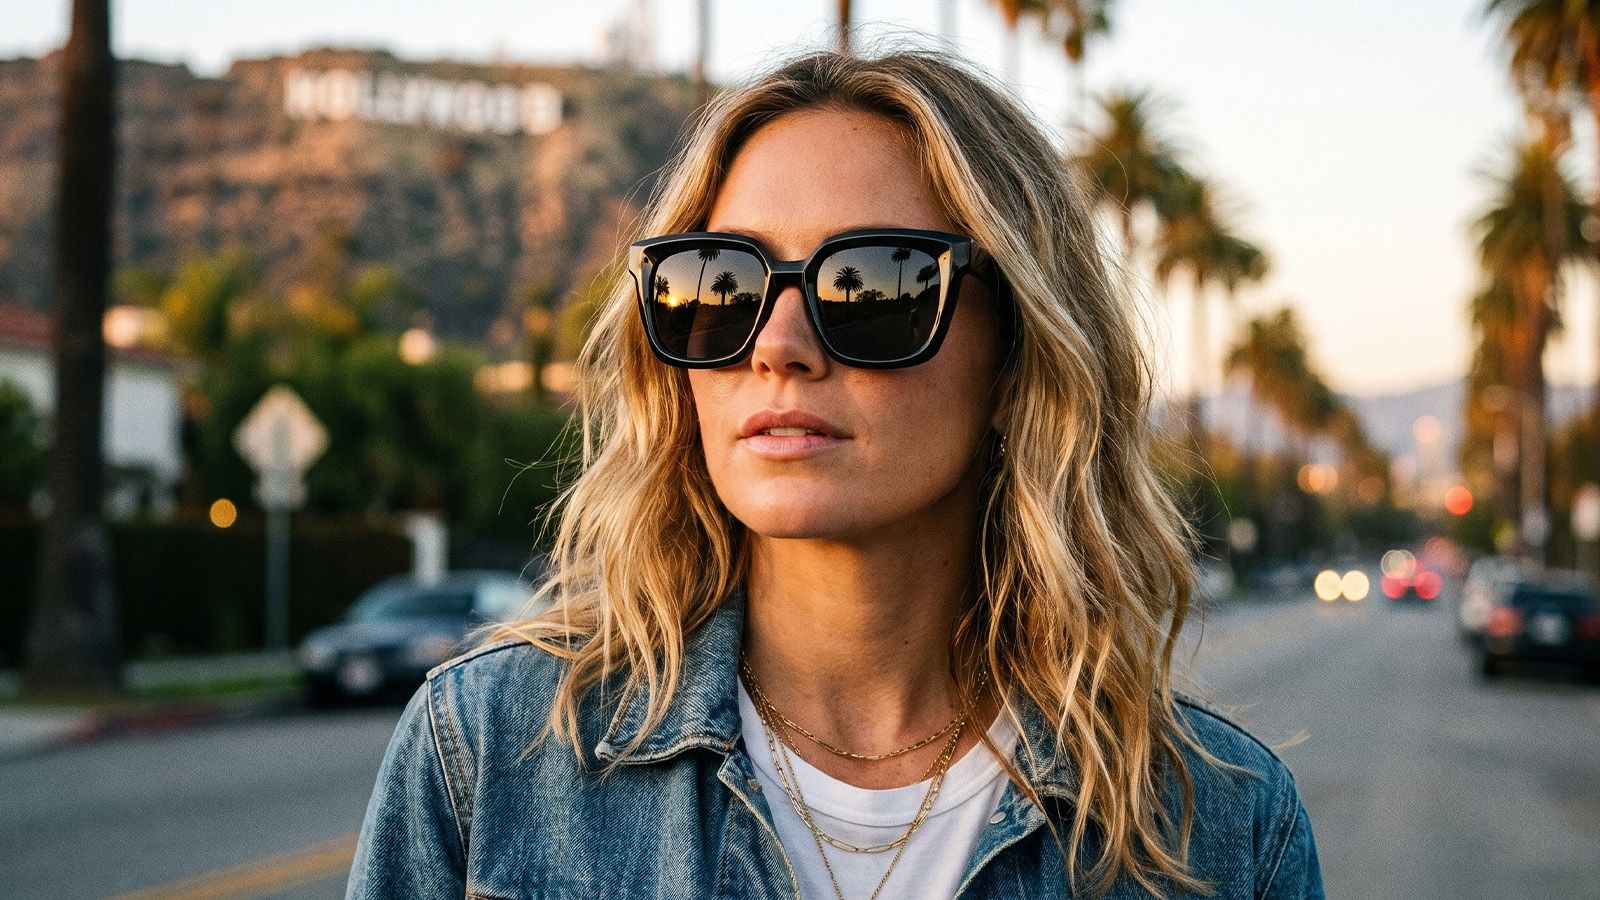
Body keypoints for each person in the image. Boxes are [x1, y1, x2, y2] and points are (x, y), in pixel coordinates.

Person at [347, 49, 1323, 900]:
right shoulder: (485, 752)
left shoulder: (1222, 828)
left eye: (876, 287)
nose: (776, 346)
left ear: (1019, 352)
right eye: (717, 286)